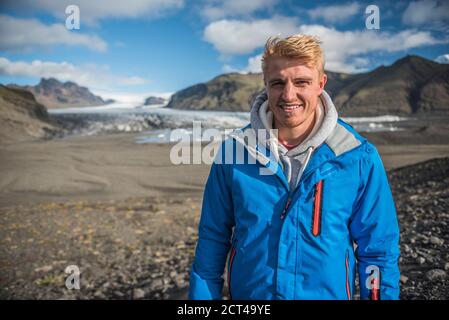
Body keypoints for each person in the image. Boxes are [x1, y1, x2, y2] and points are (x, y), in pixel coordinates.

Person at [189, 34, 400, 300]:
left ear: (320, 84)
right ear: (266, 85)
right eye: (278, 83)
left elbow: (378, 250)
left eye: (301, 82)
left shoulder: (357, 157)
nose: (289, 95)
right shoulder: (234, 153)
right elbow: (212, 240)